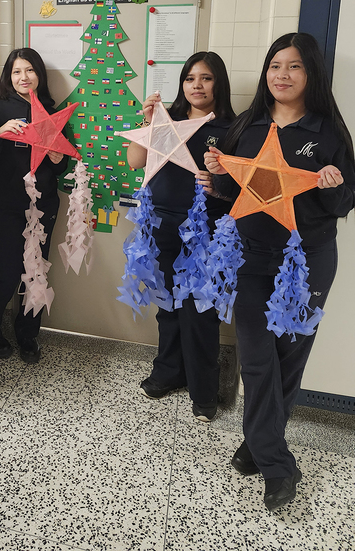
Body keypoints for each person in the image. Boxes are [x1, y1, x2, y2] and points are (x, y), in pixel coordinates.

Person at [204, 32, 355, 511]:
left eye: (293, 67)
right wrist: (216, 177)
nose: (282, 76)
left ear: (311, 73)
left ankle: (256, 445)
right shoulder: (247, 126)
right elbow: (233, 195)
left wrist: (331, 186)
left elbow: (345, 202)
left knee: (290, 359)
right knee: (255, 357)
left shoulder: (327, 132)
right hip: (251, 259)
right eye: (274, 66)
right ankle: (277, 464)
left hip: (307, 262)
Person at [127, 51, 235, 422]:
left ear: (218, 82)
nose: (197, 86)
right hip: (161, 223)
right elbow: (134, 161)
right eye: (190, 78)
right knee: (168, 305)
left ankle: (204, 390)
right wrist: (148, 123)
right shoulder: (166, 118)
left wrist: (218, 184)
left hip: (206, 231)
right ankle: (167, 371)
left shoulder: (234, 128)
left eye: (205, 78)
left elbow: (241, 186)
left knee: (199, 311)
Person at [0, 48, 68, 364]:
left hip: (45, 204)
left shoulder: (53, 112)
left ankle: (28, 335)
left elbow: (59, 167)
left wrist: (58, 160)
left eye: (29, 70)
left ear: (39, 74)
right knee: (9, 270)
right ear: (8, 76)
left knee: (37, 270)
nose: (23, 77)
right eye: (16, 71)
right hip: (7, 203)